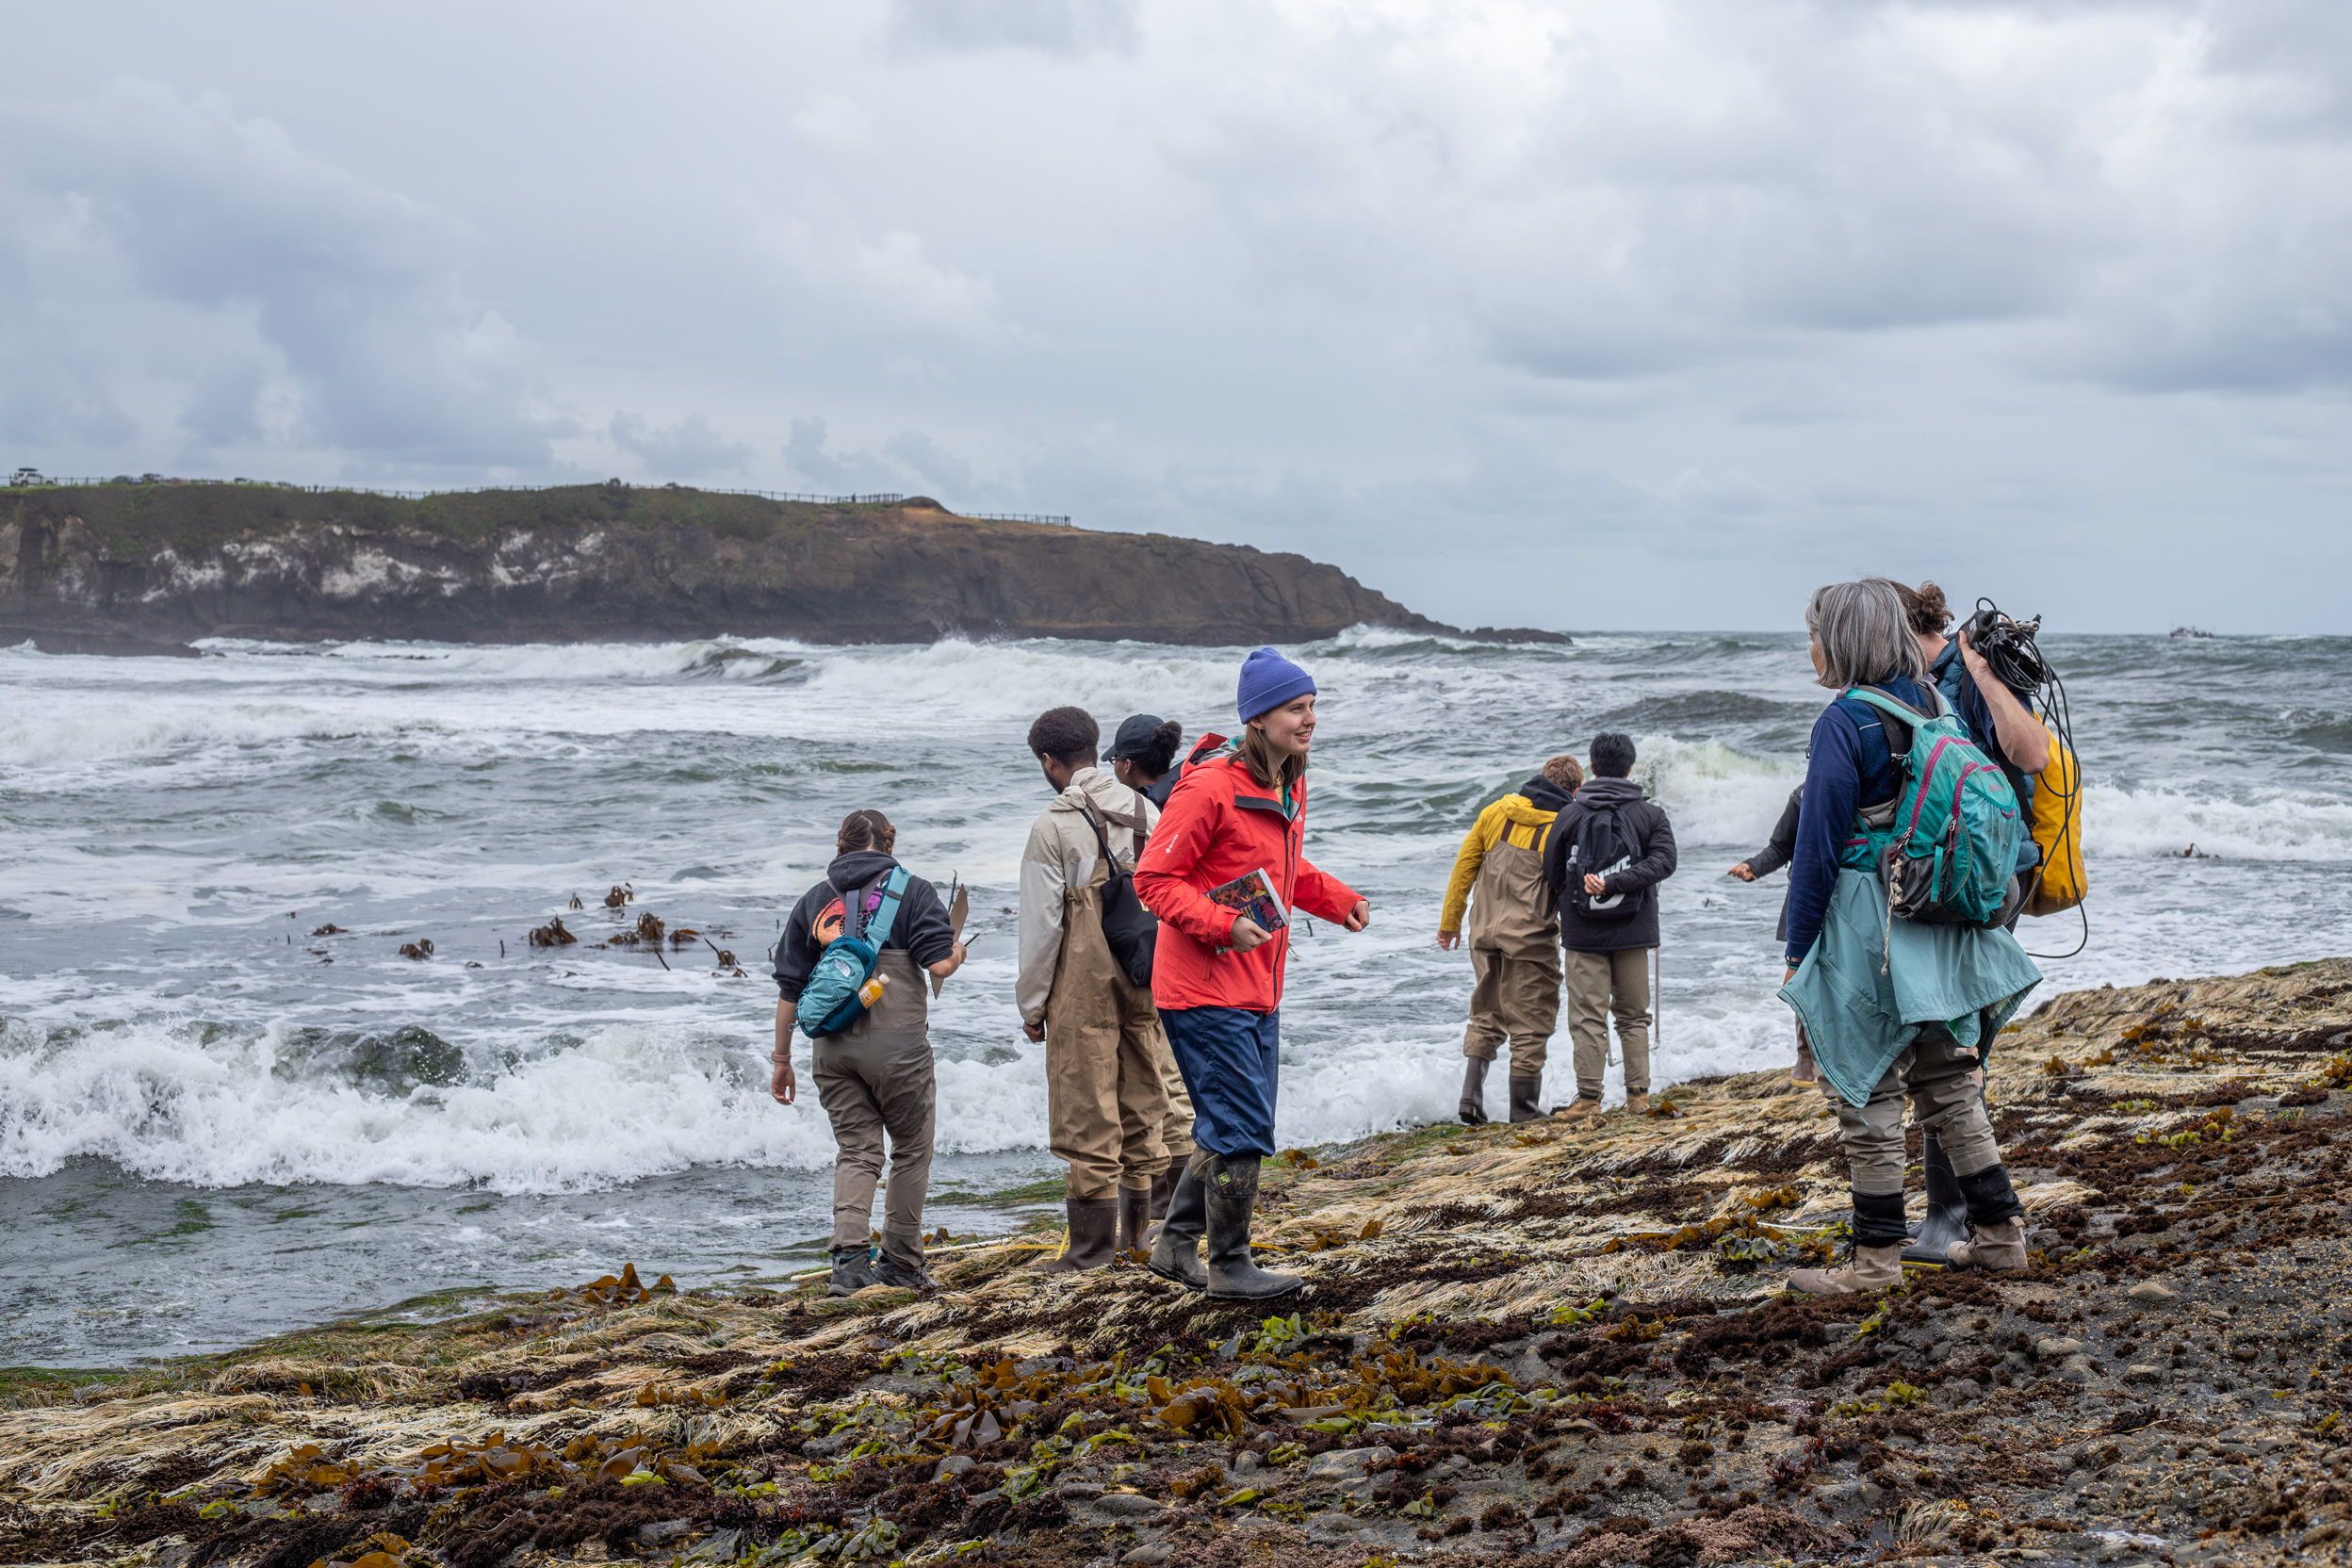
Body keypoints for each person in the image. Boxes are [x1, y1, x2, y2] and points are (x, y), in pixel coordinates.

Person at [1776, 580, 2041, 1296]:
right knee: (1949, 1080)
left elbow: (1818, 847)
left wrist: (1799, 952)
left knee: (1866, 1092)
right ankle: (1998, 1237)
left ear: (1844, 640)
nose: (1811, 647)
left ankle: (1875, 1266)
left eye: (1816, 632)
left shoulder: (1845, 721)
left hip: (1872, 926)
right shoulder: (1937, 704)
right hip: (1939, 922)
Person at [1135, 647, 1370, 1299]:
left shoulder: (1286, 783)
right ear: (1260, 717)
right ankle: (1230, 1265)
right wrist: (1219, 923)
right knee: (1241, 1127)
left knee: (1228, 1124)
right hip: (1202, 988)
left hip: (1258, 987)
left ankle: (1175, 1247)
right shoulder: (1210, 786)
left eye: (1313, 706)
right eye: (1297, 708)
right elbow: (1153, 880)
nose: (1310, 719)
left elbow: (1285, 875)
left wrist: (1339, 899)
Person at [771, 809, 966, 1296]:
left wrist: (780, 1060)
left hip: (831, 1046)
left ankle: (849, 1265)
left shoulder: (816, 899)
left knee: (857, 1150)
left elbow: (790, 990)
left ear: (841, 845)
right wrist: (960, 949)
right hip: (897, 1044)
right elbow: (939, 962)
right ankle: (900, 1262)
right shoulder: (914, 890)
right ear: (889, 842)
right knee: (912, 1150)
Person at [1018, 707, 1172, 1269]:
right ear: (1096, 748)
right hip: (1145, 969)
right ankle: (1136, 1240)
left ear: (1050, 761)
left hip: (1083, 981)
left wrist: (1032, 1007)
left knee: (1088, 1106)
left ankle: (1088, 1249)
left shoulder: (1052, 827)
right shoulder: (1146, 812)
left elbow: (1042, 930)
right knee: (1141, 1098)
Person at [1438, 756, 1582, 1124]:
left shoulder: (1495, 811)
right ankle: (1524, 1109)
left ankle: (1470, 1097)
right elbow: (1567, 886)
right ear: (1575, 790)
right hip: (1530, 940)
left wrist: (1450, 923)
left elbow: (1464, 866)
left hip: (1483, 932)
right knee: (1531, 1021)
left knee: (1486, 1013)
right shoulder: (1563, 827)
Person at [1542, 733, 1676, 1123]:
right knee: (1634, 1015)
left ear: (1594, 767)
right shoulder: (1650, 815)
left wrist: (1583, 894)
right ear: (1630, 767)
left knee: (1587, 1016)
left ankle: (1588, 1099)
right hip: (1635, 930)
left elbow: (1551, 869)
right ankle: (1638, 1097)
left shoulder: (1571, 813)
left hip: (1583, 932)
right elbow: (1665, 862)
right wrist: (1620, 883)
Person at [1105, 713, 1205, 1231]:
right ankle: (1184, 1203)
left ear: (1126, 763)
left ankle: (1177, 1208)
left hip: (1163, 957)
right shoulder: (1188, 788)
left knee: (1168, 1078)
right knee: (1177, 1076)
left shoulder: (1148, 809)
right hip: (1197, 950)